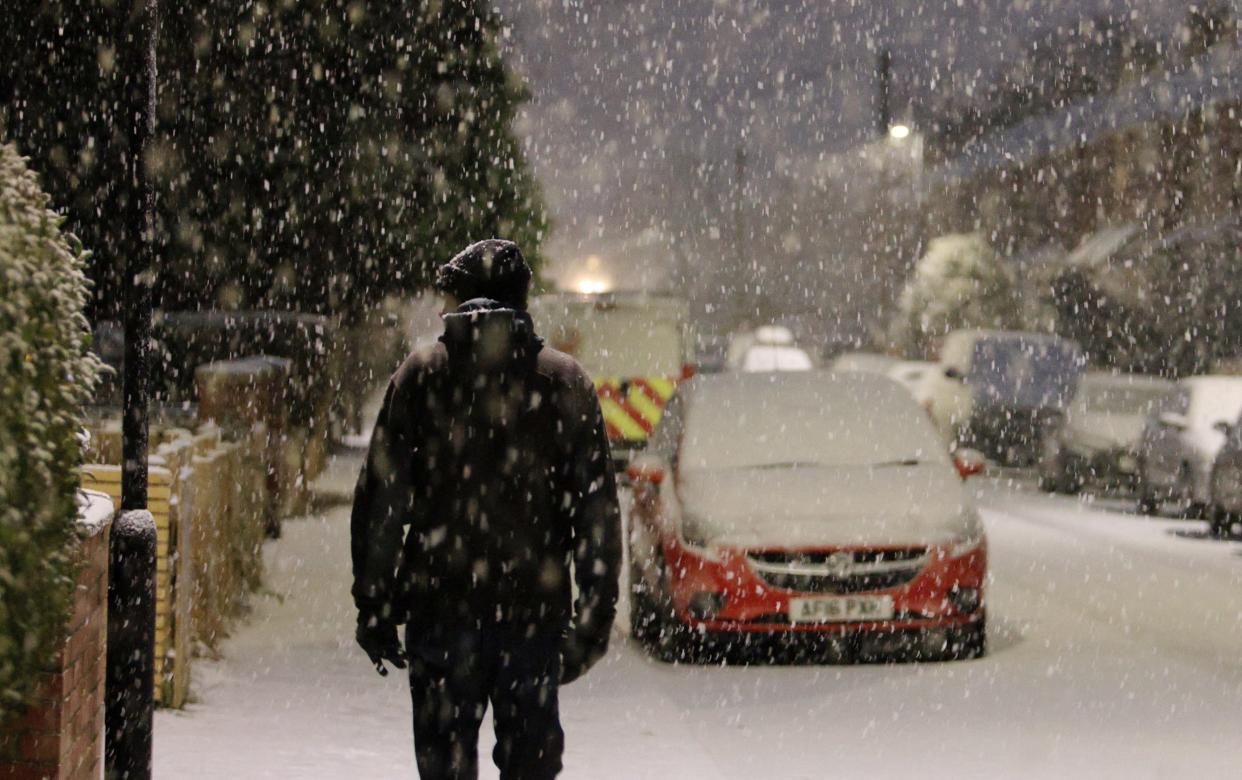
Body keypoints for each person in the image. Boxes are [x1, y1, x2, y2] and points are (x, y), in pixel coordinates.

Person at [350, 239, 622, 780]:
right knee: (529, 765)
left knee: (445, 766)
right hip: (532, 616)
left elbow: (381, 502)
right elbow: (596, 513)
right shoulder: (563, 382)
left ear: (460, 300)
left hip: (438, 614)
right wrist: (593, 618)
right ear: (523, 301)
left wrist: (375, 603)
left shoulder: (421, 375)